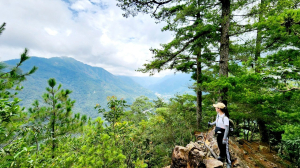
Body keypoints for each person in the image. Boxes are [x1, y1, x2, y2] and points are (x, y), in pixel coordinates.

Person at [208, 102, 231, 168]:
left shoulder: (225, 118)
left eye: (216, 107)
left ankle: (228, 162)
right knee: (220, 145)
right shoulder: (218, 115)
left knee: (225, 148)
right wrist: (211, 124)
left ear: (219, 109)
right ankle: (221, 156)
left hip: (223, 134)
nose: (215, 108)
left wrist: (224, 138)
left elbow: (227, 129)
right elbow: (216, 121)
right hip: (218, 133)